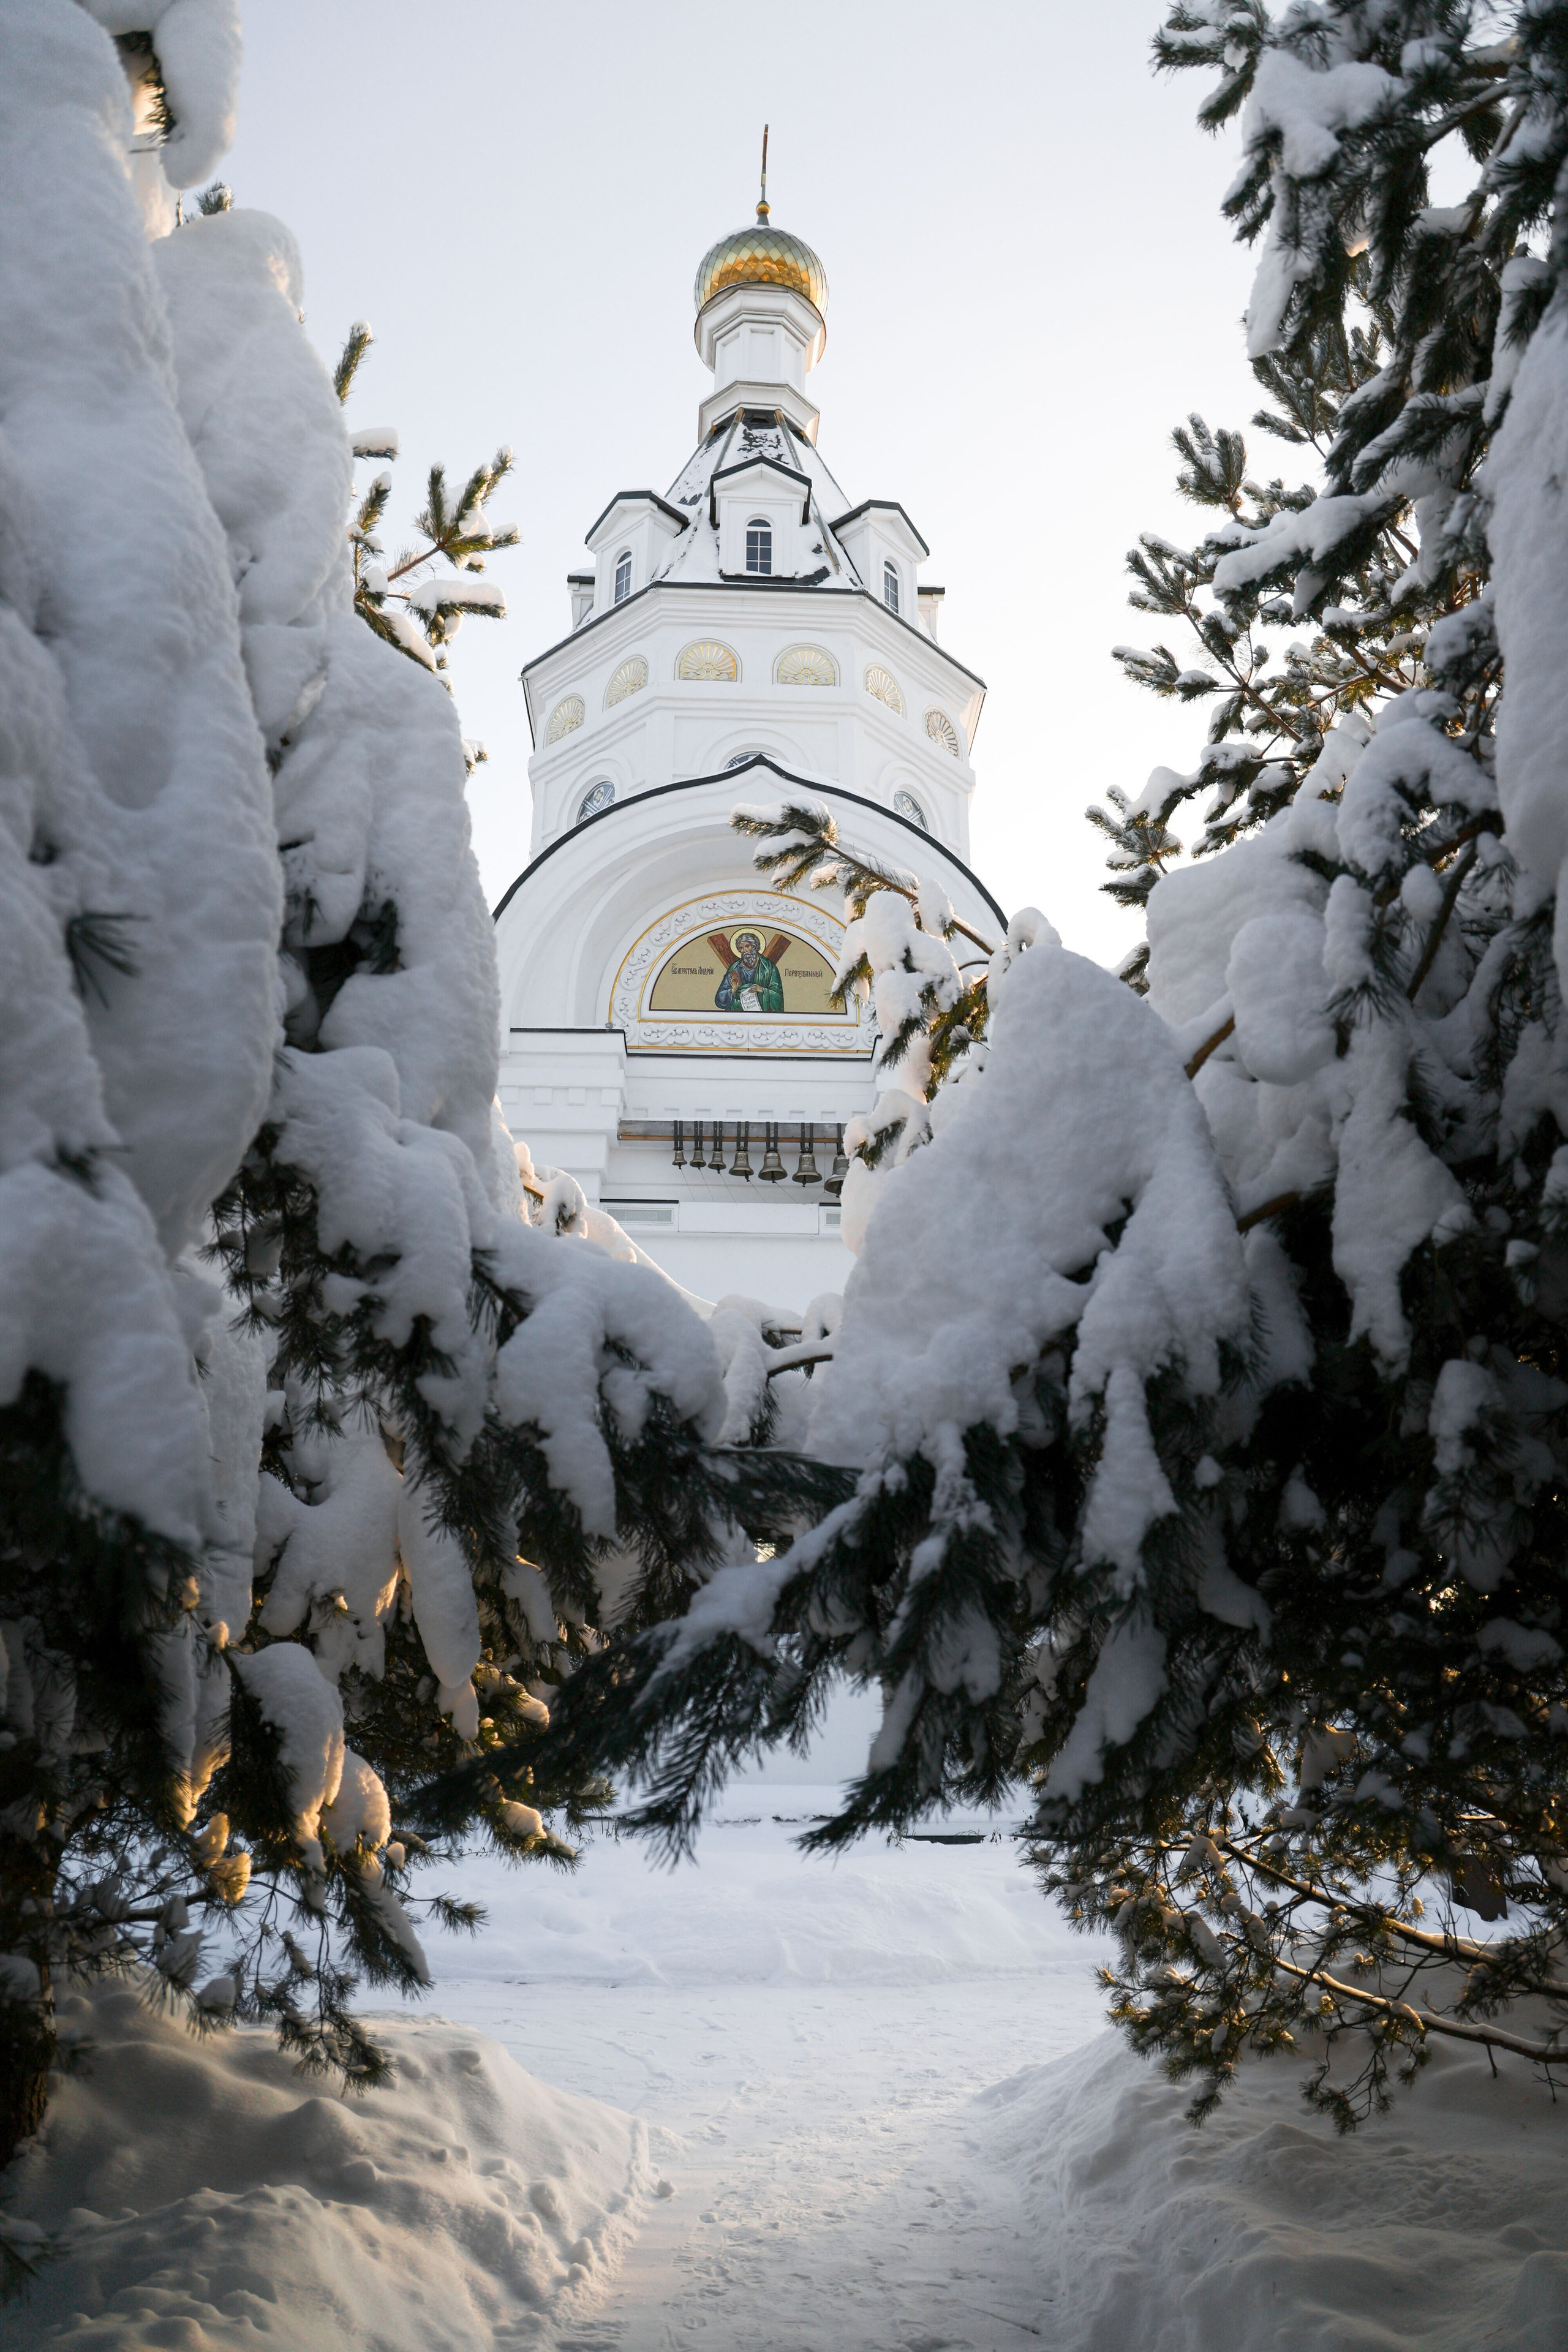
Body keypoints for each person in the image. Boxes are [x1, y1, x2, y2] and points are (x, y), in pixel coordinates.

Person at [715, 930, 784, 1013]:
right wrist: (733, 990)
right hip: (737, 1012)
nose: (745, 950)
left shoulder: (769, 968)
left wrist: (762, 990)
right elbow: (720, 998)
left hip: (761, 1012)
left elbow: (778, 996)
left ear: (754, 947)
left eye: (747, 946)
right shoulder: (735, 969)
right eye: (741, 948)